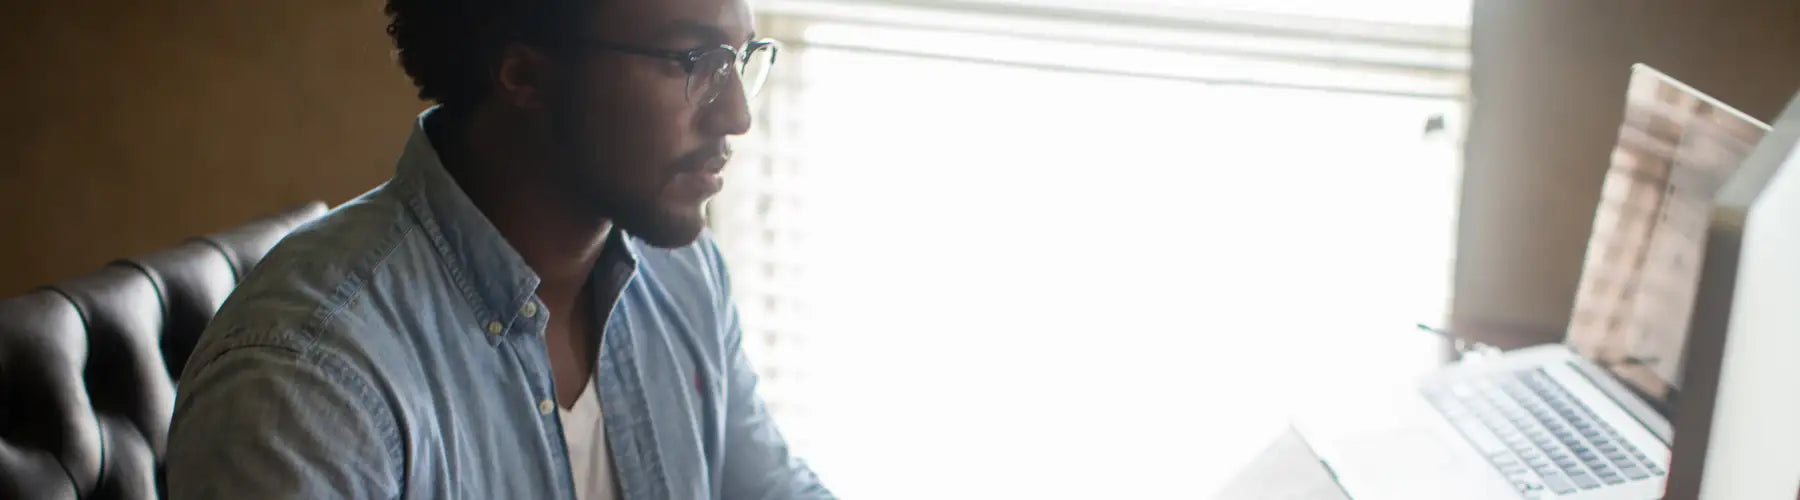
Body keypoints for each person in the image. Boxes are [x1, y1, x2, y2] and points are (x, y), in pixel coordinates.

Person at [162, 0, 832, 497]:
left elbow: (766, 483)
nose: (737, 115)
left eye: (742, 58)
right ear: (523, 75)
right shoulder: (305, 380)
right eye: (694, 61)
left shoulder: (682, 270)